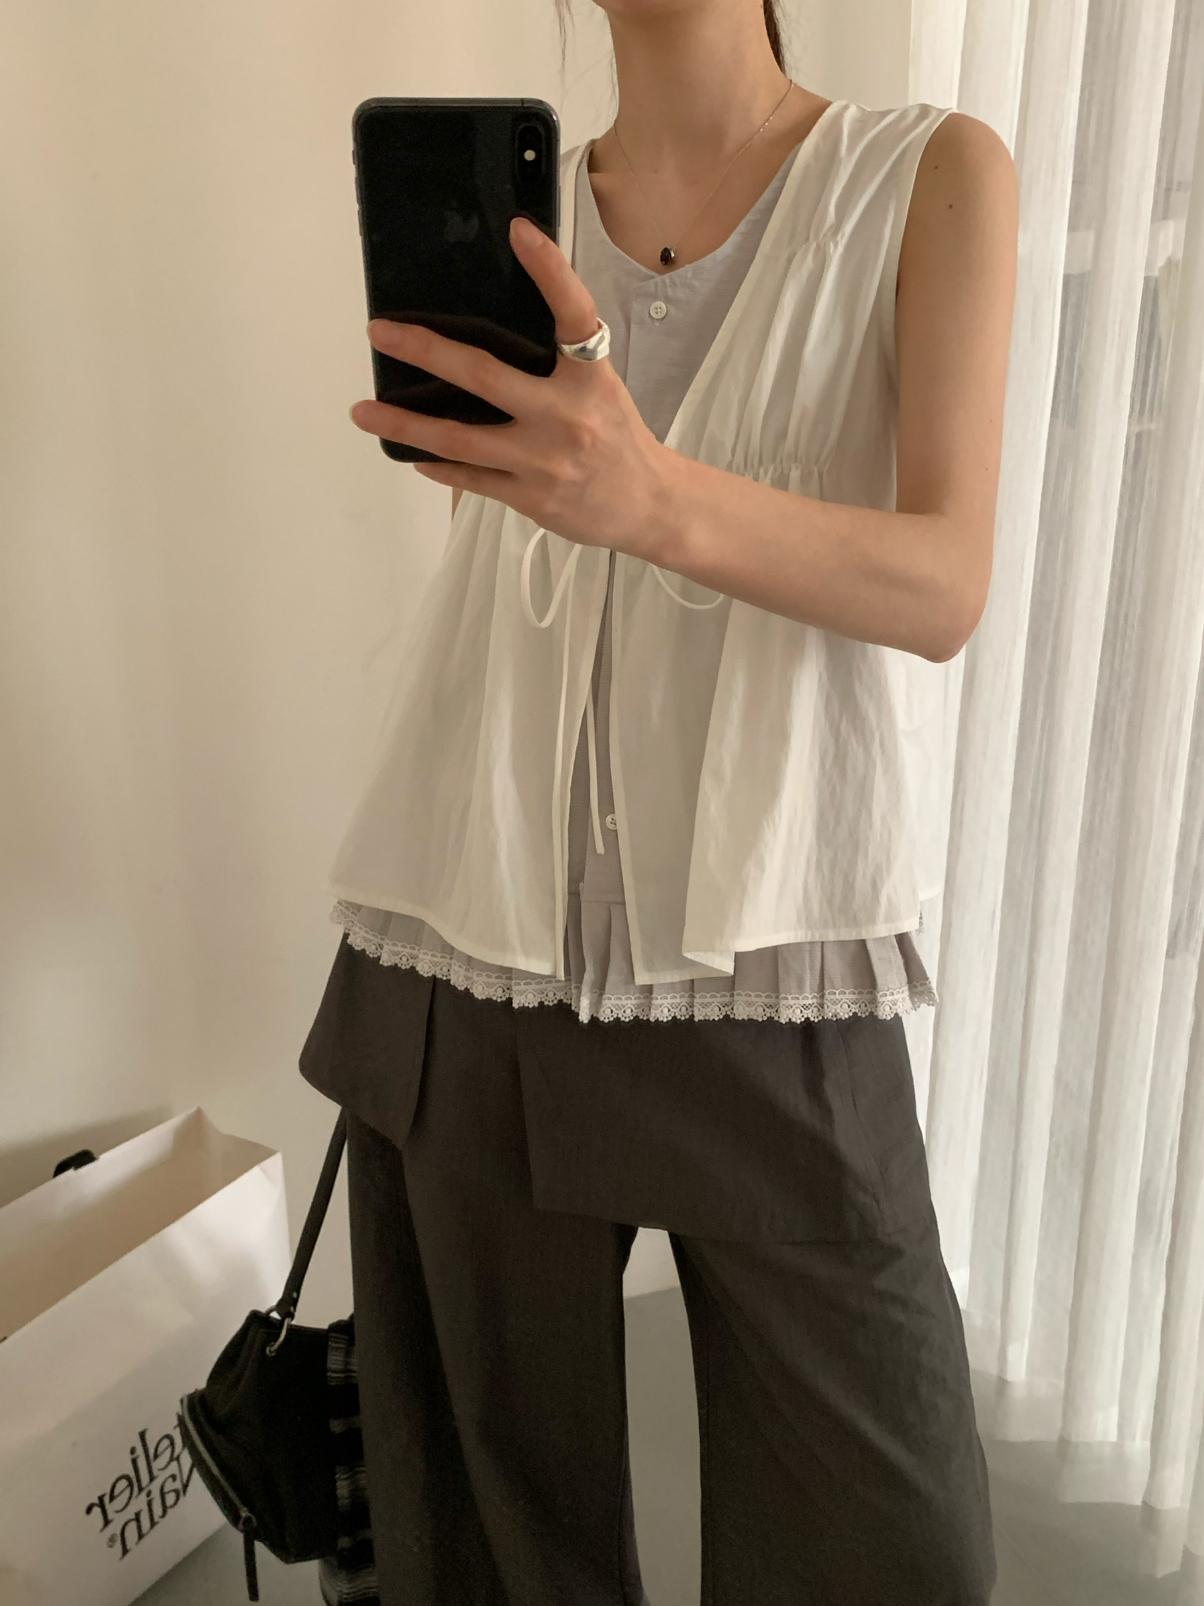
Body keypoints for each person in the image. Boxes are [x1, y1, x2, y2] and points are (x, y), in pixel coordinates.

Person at [300, 0, 1019, 1600]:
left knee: (895, 1545)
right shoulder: (517, 214)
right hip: (471, 936)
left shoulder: (929, 175)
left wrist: (652, 496)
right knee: (492, 1543)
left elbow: (945, 580)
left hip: (765, 945)